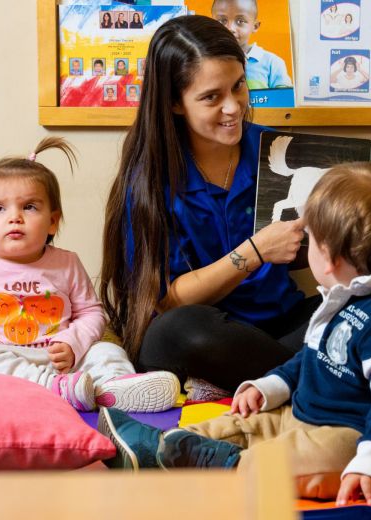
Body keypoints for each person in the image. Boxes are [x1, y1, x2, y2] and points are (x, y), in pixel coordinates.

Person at [97, 162, 371, 506]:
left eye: (312, 240)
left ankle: (222, 465)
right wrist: (269, 386)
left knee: (297, 457)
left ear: (331, 257)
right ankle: (159, 446)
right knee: (246, 424)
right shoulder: (344, 300)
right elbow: (311, 357)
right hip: (307, 417)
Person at [98, 15, 319, 402]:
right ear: (174, 103)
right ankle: (317, 377)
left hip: (282, 327)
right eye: (211, 97)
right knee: (178, 330)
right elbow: (166, 300)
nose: (233, 107)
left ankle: (276, 381)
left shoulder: (274, 149)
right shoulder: (148, 181)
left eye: (238, 87)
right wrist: (254, 253)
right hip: (204, 334)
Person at [0, 137, 179, 413]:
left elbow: (92, 314)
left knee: (105, 350)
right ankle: (52, 389)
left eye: (29, 207)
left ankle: (114, 390)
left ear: (53, 222)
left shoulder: (66, 263)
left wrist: (72, 342)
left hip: (62, 362)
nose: (15, 217)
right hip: (5, 362)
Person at [211, 0, 292, 89]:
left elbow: (284, 99)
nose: (230, 28)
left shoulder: (272, 63)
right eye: (222, 21)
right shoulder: (206, 61)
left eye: (240, 21)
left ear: (255, 26)